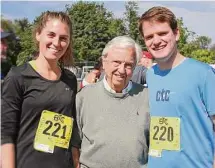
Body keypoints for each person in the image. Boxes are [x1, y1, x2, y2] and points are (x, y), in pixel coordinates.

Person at [139, 6, 215, 168]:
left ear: (176, 33)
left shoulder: (203, 73)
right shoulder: (150, 76)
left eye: (162, 33)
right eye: (149, 36)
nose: (156, 41)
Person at [1, 11, 80, 168]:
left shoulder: (70, 79)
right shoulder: (18, 76)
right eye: (51, 35)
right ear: (38, 35)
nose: (56, 43)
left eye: (63, 38)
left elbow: (72, 129)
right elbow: (6, 133)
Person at [72, 36, 150, 168]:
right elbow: (74, 143)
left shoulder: (147, 97)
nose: (121, 70)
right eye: (116, 62)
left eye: (128, 65)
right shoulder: (84, 97)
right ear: (104, 62)